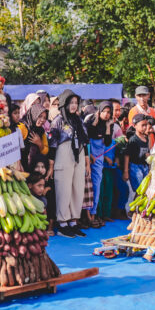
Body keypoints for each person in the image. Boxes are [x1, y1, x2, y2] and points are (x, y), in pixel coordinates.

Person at [51, 89, 89, 237]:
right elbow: (53, 143)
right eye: (71, 103)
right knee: (64, 189)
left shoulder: (79, 120)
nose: (74, 106)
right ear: (64, 104)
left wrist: (86, 161)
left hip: (78, 153)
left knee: (77, 188)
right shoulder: (58, 120)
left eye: (76, 103)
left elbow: (85, 141)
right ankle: (62, 223)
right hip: (63, 153)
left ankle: (73, 221)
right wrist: (51, 164)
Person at [83, 102, 113, 226]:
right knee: (86, 186)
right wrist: (89, 156)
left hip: (99, 158)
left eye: (109, 112)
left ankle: (93, 213)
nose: (106, 114)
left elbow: (107, 142)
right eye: (104, 111)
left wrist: (107, 128)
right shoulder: (90, 122)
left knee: (96, 185)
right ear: (99, 111)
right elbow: (84, 140)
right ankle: (86, 216)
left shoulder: (108, 124)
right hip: (88, 157)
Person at [124, 113, 153, 197]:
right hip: (135, 167)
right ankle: (135, 208)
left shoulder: (146, 138)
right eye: (142, 125)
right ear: (134, 126)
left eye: (146, 125)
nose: (145, 127)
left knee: (145, 189)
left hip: (144, 167)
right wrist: (126, 171)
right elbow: (127, 155)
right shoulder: (133, 140)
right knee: (139, 190)